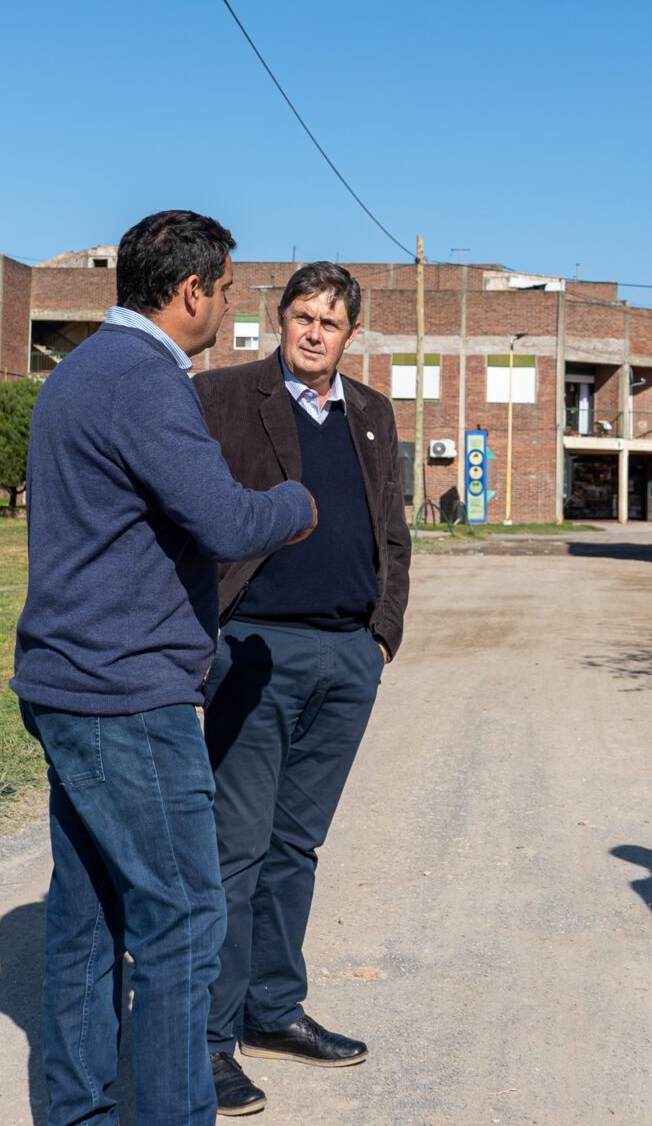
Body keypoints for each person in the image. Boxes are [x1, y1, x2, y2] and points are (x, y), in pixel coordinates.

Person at [11, 210, 316, 1126]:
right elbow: (223, 520)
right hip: (126, 695)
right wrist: (295, 503)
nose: (228, 305)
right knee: (183, 921)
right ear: (190, 291)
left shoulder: (80, 372)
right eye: (225, 290)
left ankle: (80, 1112)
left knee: (89, 917)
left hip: (69, 684)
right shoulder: (144, 380)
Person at [192, 261, 411, 1116]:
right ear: (279, 319)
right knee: (236, 849)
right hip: (253, 650)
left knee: (296, 847)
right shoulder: (224, 396)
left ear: (351, 334)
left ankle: (272, 1010)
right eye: (303, 317)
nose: (315, 333)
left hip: (347, 657)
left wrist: (381, 634)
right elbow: (189, 516)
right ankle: (209, 1040)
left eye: (331, 321)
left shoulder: (372, 412)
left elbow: (392, 529)